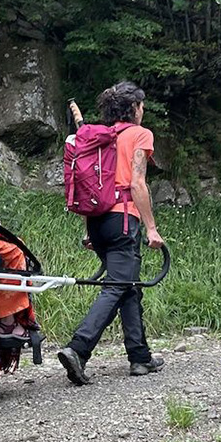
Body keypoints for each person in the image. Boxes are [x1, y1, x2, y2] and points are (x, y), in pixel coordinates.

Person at [56, 82, 166, 385]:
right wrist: (152, 228)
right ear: (133, 109)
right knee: (117, 285)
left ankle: (140, 356)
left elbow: (90, 184)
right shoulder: (139, 134)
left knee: (128, 284)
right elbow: (137, 183)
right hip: (123, 219)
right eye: (141, 105)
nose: (143, 110)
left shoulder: (99, 136)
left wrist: (88, 232)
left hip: (97, 221)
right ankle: (79, 348)